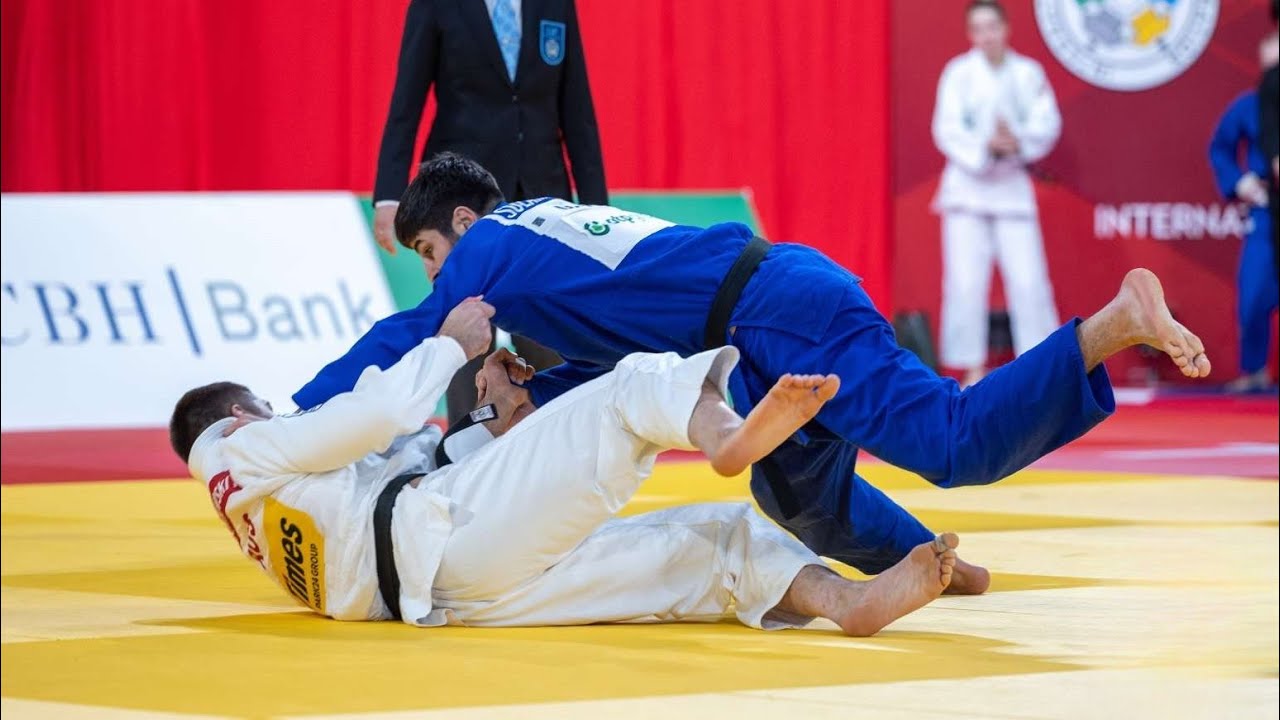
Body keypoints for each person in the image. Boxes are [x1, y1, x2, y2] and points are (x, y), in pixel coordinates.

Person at [294, 153, 1211, 596]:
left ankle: (1111, 325)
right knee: (803, 499)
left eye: (429, 251)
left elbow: (409, 331)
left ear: (460, 223)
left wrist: (290, 421)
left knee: (952, 441)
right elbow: (616, 371)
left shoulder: (488, 248)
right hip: (762, 317)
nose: (436, 274)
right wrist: (535, 392)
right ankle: (940, 567)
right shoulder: (539, 236)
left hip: (776, 312)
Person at [171, 296, 959, 636]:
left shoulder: (249, 510)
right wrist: (450, 345)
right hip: (439, 541)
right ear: (240, 414)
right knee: (624, 392)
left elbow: (403, 469)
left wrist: (492, 416)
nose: (281, 415)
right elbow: (376, 416)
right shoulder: (244, 447)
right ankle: (725, 438)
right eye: (267, 408)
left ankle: (848, 602)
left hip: (447, 589)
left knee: (703, 545)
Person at [372, 0, 608, 424]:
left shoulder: (555, 4)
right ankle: (465, 443)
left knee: (548, 325)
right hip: (460, 203)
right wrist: (389, 196)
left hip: (541, 194)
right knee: (465, 324)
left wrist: (596, 209)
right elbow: (406, 101)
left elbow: (578, 111)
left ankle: (557, 431)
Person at [931, 0, 1062, 388]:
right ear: (970, 34)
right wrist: (985, 146)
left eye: (992, 26)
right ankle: (971, 368)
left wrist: (1016, 140)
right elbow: (946, 129)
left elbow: (1047, 122)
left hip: (1011, 191)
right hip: (967, 191)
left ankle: (1037, 369)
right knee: (965, 284)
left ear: (1006, 28)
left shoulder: (1028, 73)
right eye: (978, 29)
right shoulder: (958, 73)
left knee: (1029, 282)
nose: (987, 35)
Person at [1208, 35, 1279, 393]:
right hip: (1266, 209)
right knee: (1253, 294)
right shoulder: (1250, 106)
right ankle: (1254, 370)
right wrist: (1240, 182)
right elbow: (1220, 147)